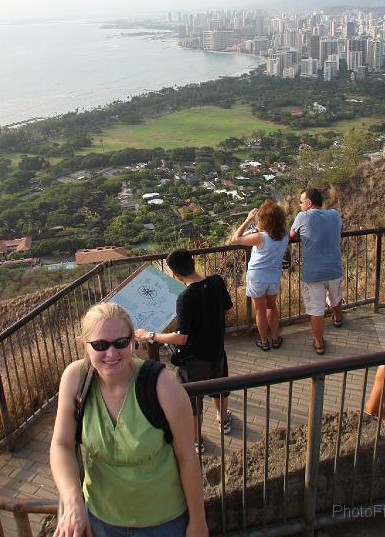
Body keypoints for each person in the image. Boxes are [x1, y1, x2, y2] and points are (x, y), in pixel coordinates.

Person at [50, 302, 208, 537]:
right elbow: (61, 445)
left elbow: (187, 456)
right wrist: (73, 500)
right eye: (100, 345)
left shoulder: (162, 386)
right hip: (101, 520)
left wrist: (197, 523)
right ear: (85, 347)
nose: (111, 353)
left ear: (133, 342)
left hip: (163, 522)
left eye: (121, 343)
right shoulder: (76, 379)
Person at [135, 249, 233, 454]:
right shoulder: (217, 281)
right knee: (220, 387)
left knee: (192, 400)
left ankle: (196, 440)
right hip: (217, 350)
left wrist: (150, 335)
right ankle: (224, 420)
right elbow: (226, 307)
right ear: (194, 261)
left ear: (175, 275)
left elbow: (181, 338)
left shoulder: (185, 297)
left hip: (194, 359)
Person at [289, 188, 343, 356]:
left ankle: (319, 343)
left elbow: (291, 235)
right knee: (336, 297)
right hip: (334, 268)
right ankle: (338, 319)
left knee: (316, 310)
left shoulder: (302, 217)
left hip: (313, 273)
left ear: (309, 203)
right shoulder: (334, 214)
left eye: (301, 202)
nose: (299, 205)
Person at [230, 200, 289, 352]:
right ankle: (275, 338)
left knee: (260, 311)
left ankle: (264, 342)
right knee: (272, 307)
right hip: (273, 276)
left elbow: (235, 239)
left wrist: (248, 220)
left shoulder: (260, 237)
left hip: (257, 277)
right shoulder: (285, 235)